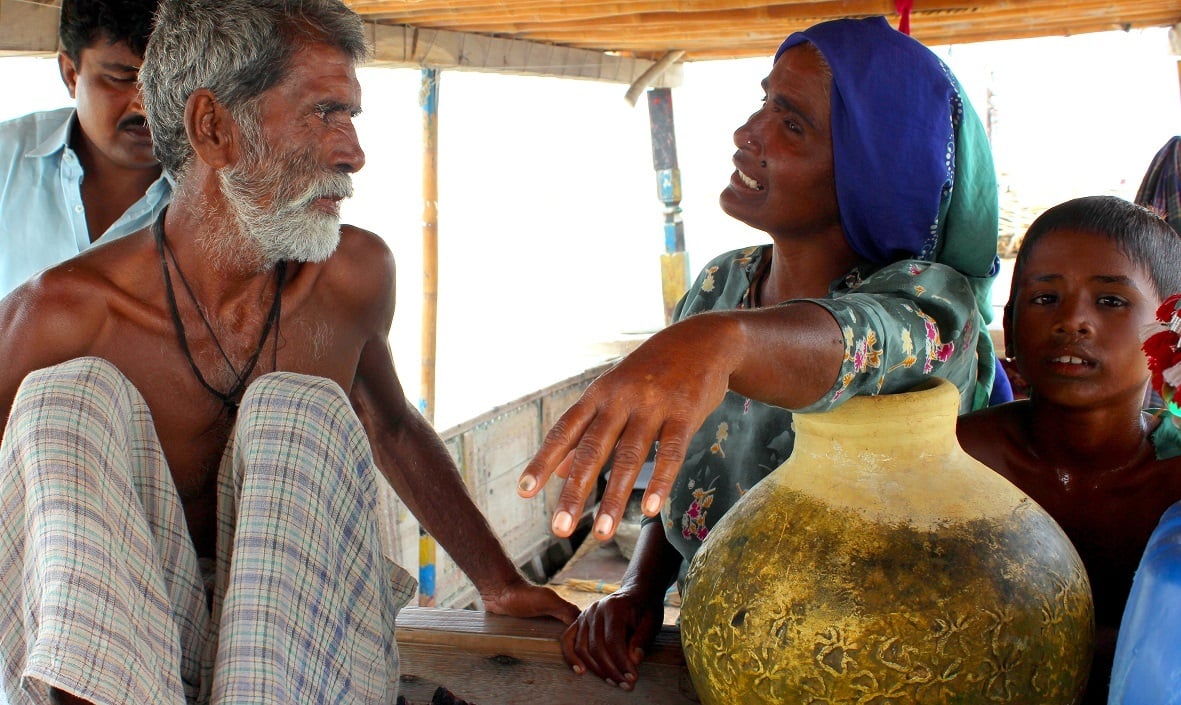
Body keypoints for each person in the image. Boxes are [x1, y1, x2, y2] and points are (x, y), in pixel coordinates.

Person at [0, 1, 577, 703]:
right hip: (125, 662)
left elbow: (390, 424)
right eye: (324, 113)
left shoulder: (352, 279)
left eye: (352, 117)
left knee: (293, 407)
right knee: (68, 398)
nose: (352, 151)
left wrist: (499, 579)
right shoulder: (61, 315)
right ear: (214, 128)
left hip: (301, 660)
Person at [515, 16, 1001, 689]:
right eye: (765, 100)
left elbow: (863, 341)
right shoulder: (719, 283)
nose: (748, 133)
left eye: (791, 123)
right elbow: (690, 481)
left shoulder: (931, 303)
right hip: (726, 654)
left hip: (887, 672)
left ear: (869, 173)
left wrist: (721, 342)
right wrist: (637, 589)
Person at [957, 195, 1181, 704]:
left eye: (1110, 301)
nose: (1073, 321)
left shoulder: (1176, 482)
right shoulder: (960, 459)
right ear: (1010, 327)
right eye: (1044, 299)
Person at [0, 0, 170, 298]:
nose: (146, 104)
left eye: (166, 82)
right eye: (120, 79)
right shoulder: (6, 157)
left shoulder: (222, 185)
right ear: (70, 74)